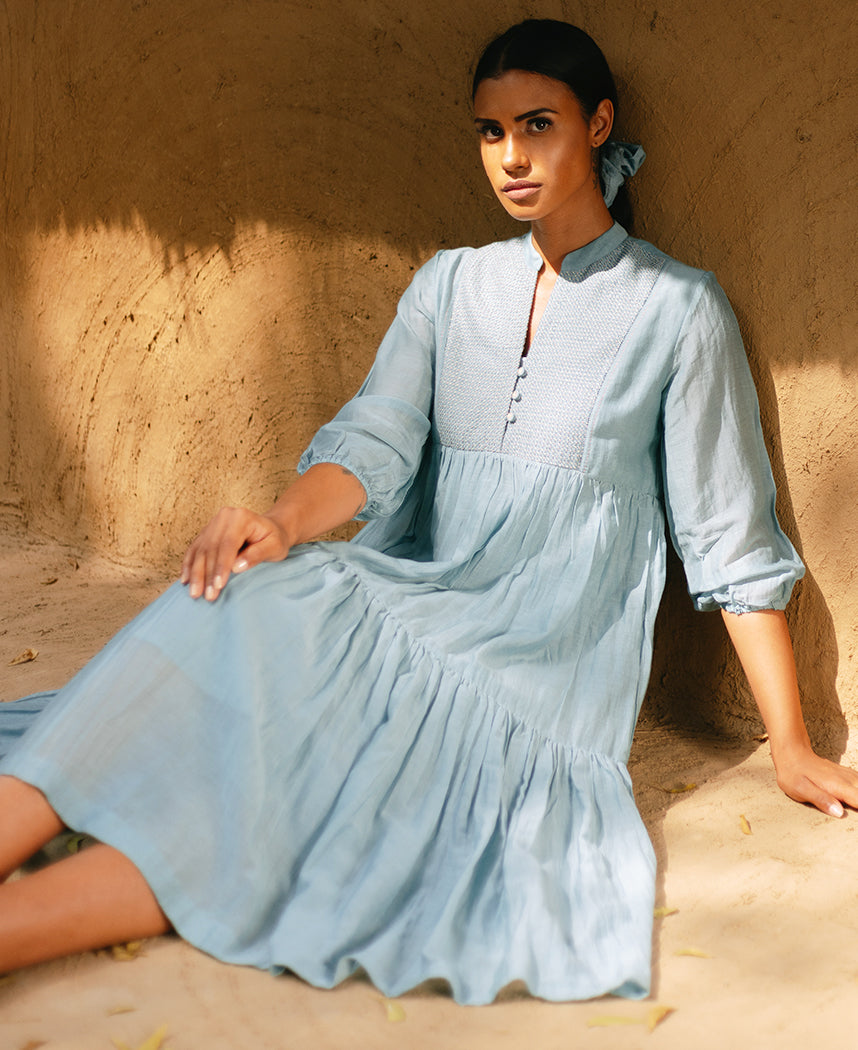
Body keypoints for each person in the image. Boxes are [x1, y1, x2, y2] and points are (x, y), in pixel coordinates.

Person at [1, 18, 856, 1005]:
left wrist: (791, 745)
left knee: (290, 804)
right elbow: (375, 438)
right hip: (401, 604)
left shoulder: (678, 309)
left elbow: (726, 533)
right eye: (491, 131)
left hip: (523, 677)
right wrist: (282, 523)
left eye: (537, 124)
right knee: (231, 600)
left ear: (598, 125)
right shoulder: (451, 285)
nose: (511, 155)